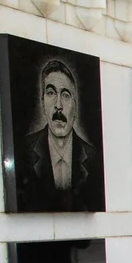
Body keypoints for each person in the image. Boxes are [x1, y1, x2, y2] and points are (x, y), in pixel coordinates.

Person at [18, 58, 103, 213]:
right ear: (43, 103)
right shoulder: (23, 152)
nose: (58, 105)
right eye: (51, 93)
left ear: (75, 108)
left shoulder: (93, 158)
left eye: (65, 95)